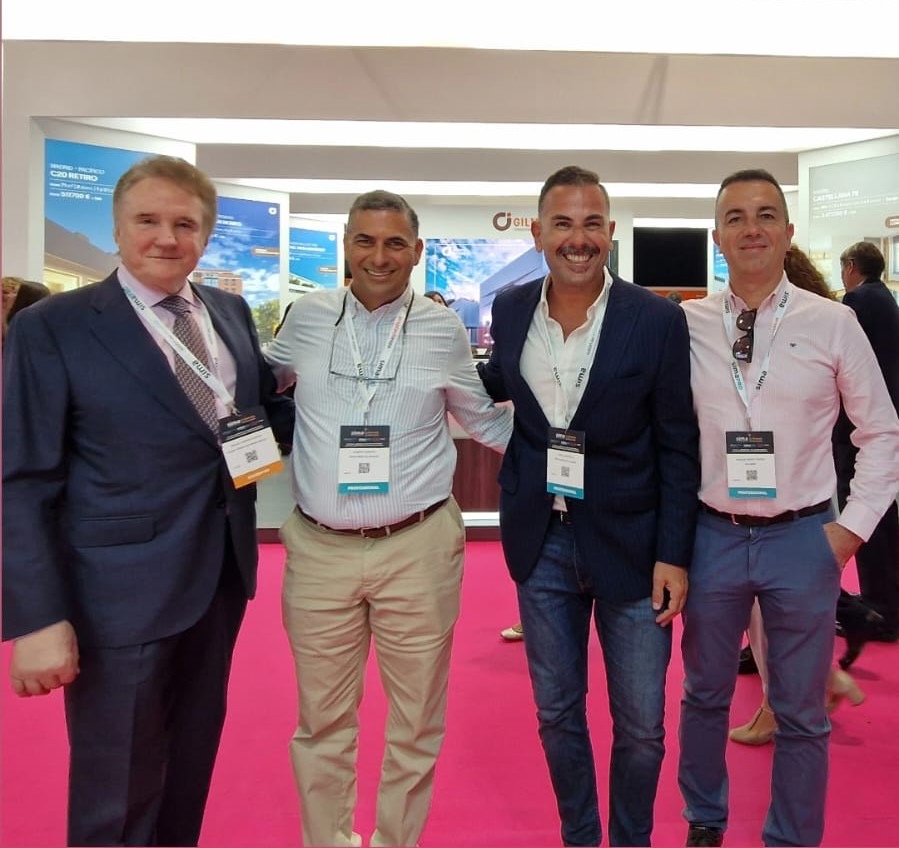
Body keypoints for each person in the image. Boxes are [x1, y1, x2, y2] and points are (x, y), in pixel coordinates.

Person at [2, 154, 294, 847]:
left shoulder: (227, 312)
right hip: (116, 593)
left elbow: (240, 422)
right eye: (148, 221)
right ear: (116, 228)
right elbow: (24, 479)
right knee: (116, 791)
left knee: (188, 770)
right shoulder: (54, 326)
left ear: (206, 234)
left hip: (219, 579)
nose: (167, 238)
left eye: (185, 224)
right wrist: (36, 619)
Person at [263, 189, 512, 848]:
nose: (380, 256)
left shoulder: (441, 328)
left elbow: (483, 420)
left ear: (417, 251)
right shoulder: (307, 319)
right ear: (346, 246)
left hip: (417, 547)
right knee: (321, 723)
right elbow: (256, 387)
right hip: (320, 550)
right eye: (366, 241)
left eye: (395, 243)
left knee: (416, 723)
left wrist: (577, 447)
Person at [478, 165, 700, 847]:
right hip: (540, 540)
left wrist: (673, 553)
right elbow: (503, 391)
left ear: (610, 231)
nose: (578, 238)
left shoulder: (656, 319)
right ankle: (580, 835)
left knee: (641, 726)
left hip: (634, 546)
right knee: (556, 714)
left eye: (591, 223)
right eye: (563, 223)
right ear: (538, 232)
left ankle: (630, 840)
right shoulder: (510, 309)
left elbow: (677, 443)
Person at [678, 169, 899, 847]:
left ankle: (792, 837)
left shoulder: (833, 322)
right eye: (736, 217)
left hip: (804, 538)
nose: (751, 229)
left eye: (765, 215)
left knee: (801, 710)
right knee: (704, 695)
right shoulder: (683, 325)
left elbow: (881, 431)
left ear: (787, 231)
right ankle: (705, 820)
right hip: (711, 536)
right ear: (717, 236)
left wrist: (850, 530)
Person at [729, 244, 864, 747]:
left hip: (794, 504)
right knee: (792, 617)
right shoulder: (742, 328)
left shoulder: (824, 326)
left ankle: (775, 708)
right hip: (796, 494)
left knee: (772, 619)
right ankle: (826, 679)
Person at [834, 241, 899, 641]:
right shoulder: (886, 299)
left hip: (859, 426)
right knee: (885, 514)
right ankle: (886, 600)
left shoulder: (856, 303)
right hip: (883, 415)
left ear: (852, 266)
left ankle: (880, 607)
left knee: (865, 509)